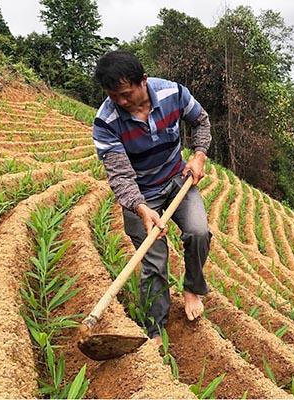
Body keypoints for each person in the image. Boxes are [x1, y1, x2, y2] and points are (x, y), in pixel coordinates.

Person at [91, 50, 212, 344]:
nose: (120, 101)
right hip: (140, 194)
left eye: (125, 93)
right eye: (113, 96)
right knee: (154, 262)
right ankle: (154, 329)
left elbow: (201, 121)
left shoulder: (174, 93)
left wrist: (198, 155)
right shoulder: (106, 122)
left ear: (143, 81)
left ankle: (192, 288)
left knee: (199, 232)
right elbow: (120, 176)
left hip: (176, 181)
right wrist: (142, 210)